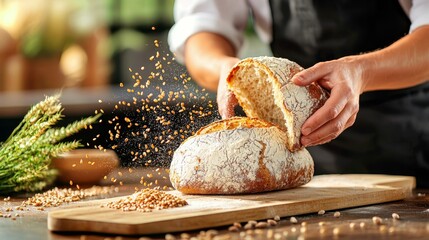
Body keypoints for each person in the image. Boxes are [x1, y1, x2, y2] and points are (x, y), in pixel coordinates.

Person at [168, 0, 429, 187]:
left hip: (408, 142)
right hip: (298, 150)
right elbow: (202, 29)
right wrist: (225, 68)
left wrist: (362, 72)